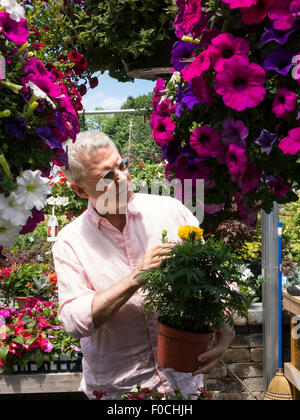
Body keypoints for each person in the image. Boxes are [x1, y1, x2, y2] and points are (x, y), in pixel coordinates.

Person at [52, 130, 235, 399]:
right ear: (80, 189)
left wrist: (226, 329)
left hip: (183, 384)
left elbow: (216, 280)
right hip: (119, 391)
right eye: (107, 176)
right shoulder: (70, 240)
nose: (123, 178)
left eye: (122, 165)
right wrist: (136, 278)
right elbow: (75, 321)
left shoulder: (170, 212)